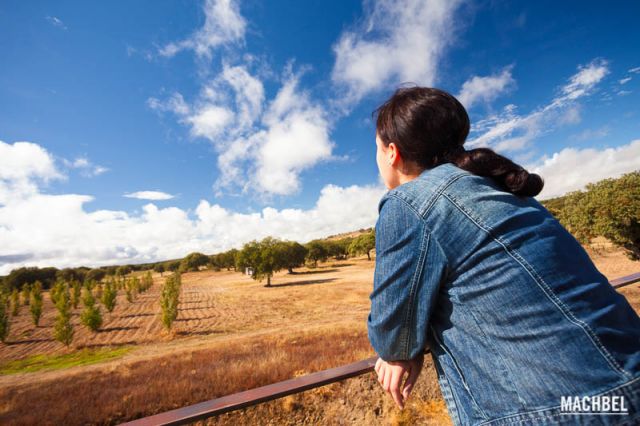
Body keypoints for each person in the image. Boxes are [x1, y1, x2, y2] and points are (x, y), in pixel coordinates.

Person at [367, 86, 640, 425]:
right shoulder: (504, 189)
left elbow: (391, 327)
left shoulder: (407, 202)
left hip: (562, 408)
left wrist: (400, 351)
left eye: (376, 151)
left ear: (392, 153)